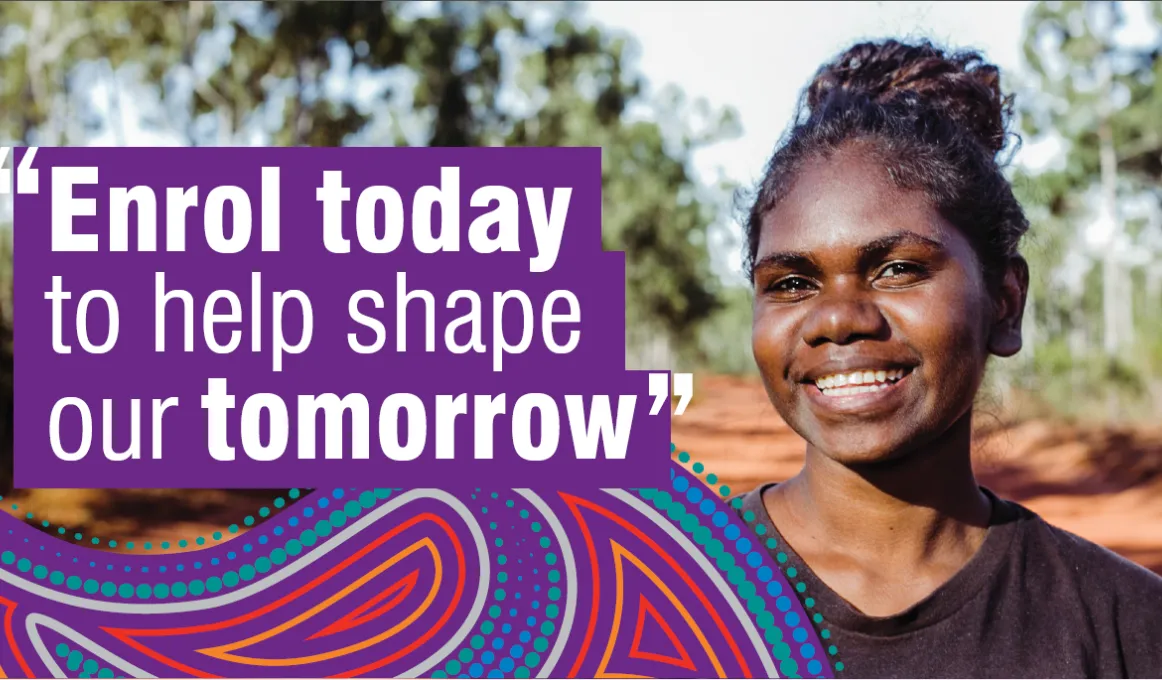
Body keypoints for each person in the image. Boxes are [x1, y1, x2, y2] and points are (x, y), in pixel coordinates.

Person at [736, 38, 1162, 678]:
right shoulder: (646, 597)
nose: (839, 318)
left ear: (1005, 302)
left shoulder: (1127, 627)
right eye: (792, 283)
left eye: (898, 269)